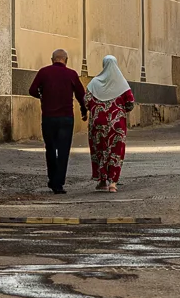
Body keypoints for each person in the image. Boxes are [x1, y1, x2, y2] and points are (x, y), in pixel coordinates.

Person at [27, 48, 87, 193]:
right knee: (63, 150)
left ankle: (52, 178)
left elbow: (32, 90)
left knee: (50, 148)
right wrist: (84, 109)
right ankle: (58, 183)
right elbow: (81, 94)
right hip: (66, 118)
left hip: (48, 117)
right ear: (66, 60)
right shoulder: (71, 74)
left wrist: (42, 95)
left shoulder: (44, 72)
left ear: (52, 59)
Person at [86, 55, 133, 192]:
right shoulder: (122, 84)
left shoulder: (94, 83)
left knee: (99, 150)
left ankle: (102, 181)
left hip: (97, 124)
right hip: (117, 125)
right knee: (115, 151)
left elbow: (86, 101)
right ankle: (113, 183)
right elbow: (130, 104)